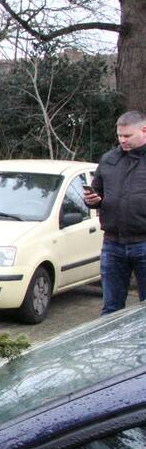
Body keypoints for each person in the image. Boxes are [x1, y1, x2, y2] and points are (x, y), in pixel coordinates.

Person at [83, 110, 146, 315]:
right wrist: (92, 200)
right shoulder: (109, 160)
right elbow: (97, 192)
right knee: (111, 308)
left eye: (127, 136)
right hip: (113, 244)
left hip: (143, 242)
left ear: (144, 130)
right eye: (119, 135)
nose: (122, 140)